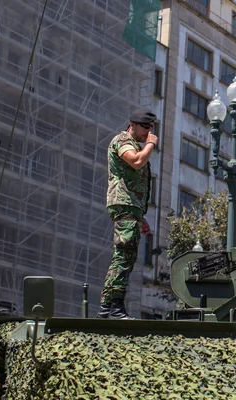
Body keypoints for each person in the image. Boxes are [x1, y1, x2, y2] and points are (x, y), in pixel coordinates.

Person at [97, 108, 158, 319]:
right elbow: (137, 161)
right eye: (145, 127)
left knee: (128, 256)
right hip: (123, 204)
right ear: (133, 125)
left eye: (151, 128)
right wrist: (151, 143)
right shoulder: (122, 141)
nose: (148, 133)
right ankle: (110, 306)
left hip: (130, 207)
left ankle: (112, 305)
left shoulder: (132, 143)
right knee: (123, 255)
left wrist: (140, 216)